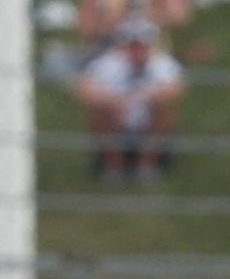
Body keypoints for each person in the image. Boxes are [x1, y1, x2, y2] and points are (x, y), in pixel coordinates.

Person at [77, 19, 185, 182]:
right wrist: (112, 102)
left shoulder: (163, 64)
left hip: (149, 123)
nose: (138, 51)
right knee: (98, 109)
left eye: (143, 46)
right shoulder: (106, 65)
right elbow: (85, 90)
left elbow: (176, 90)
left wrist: (146, 97)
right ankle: (114, 166)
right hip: (116, 122)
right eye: (133, 46)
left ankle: (147, 164)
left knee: (165, 107)